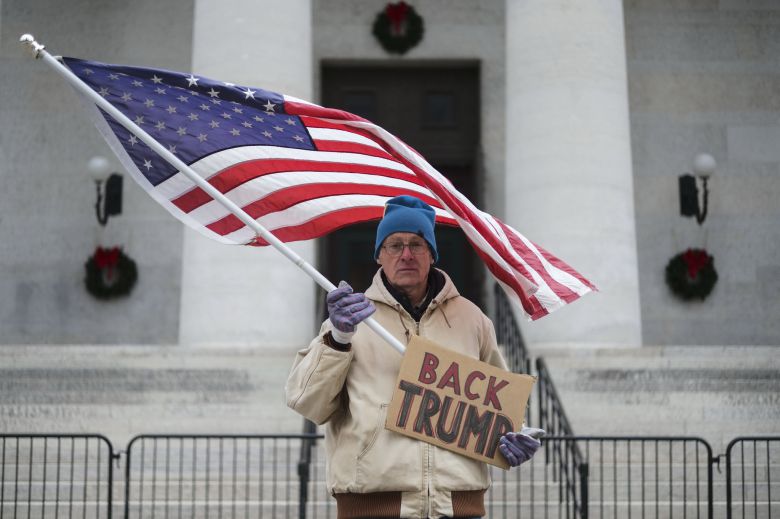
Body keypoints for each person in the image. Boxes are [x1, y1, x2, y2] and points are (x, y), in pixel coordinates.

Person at [286, 195, 543, 519]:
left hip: (459, 506)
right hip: (371, 505)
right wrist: (338, 339)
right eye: (394, 245)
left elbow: (496, 403)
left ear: (432, 254)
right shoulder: (350, 320)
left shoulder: (473, 319)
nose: (406, 254)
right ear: (379, 255)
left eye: (416, 244)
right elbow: (309, 403)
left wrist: (515, 434)